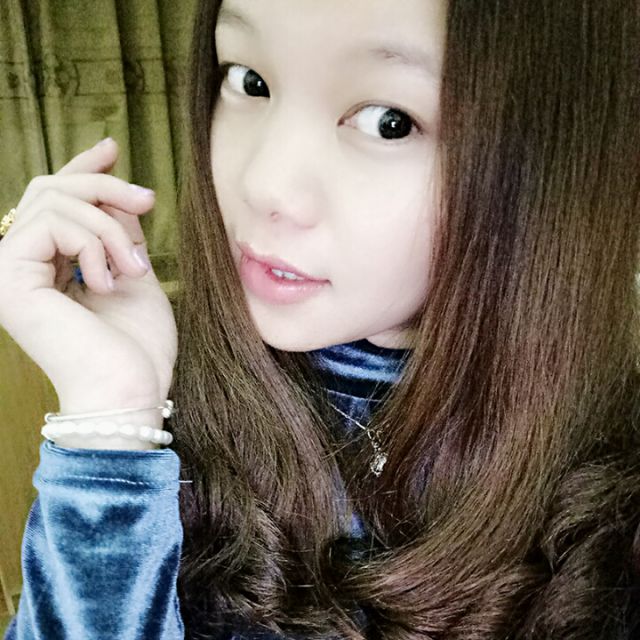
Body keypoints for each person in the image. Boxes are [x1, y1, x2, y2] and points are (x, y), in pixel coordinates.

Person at [0, 0, 638, 638]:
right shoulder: (158, 402)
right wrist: (111, 427)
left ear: (555, 161)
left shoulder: (612, 483)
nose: (264, 185)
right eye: (249, 81)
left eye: (389, 122)